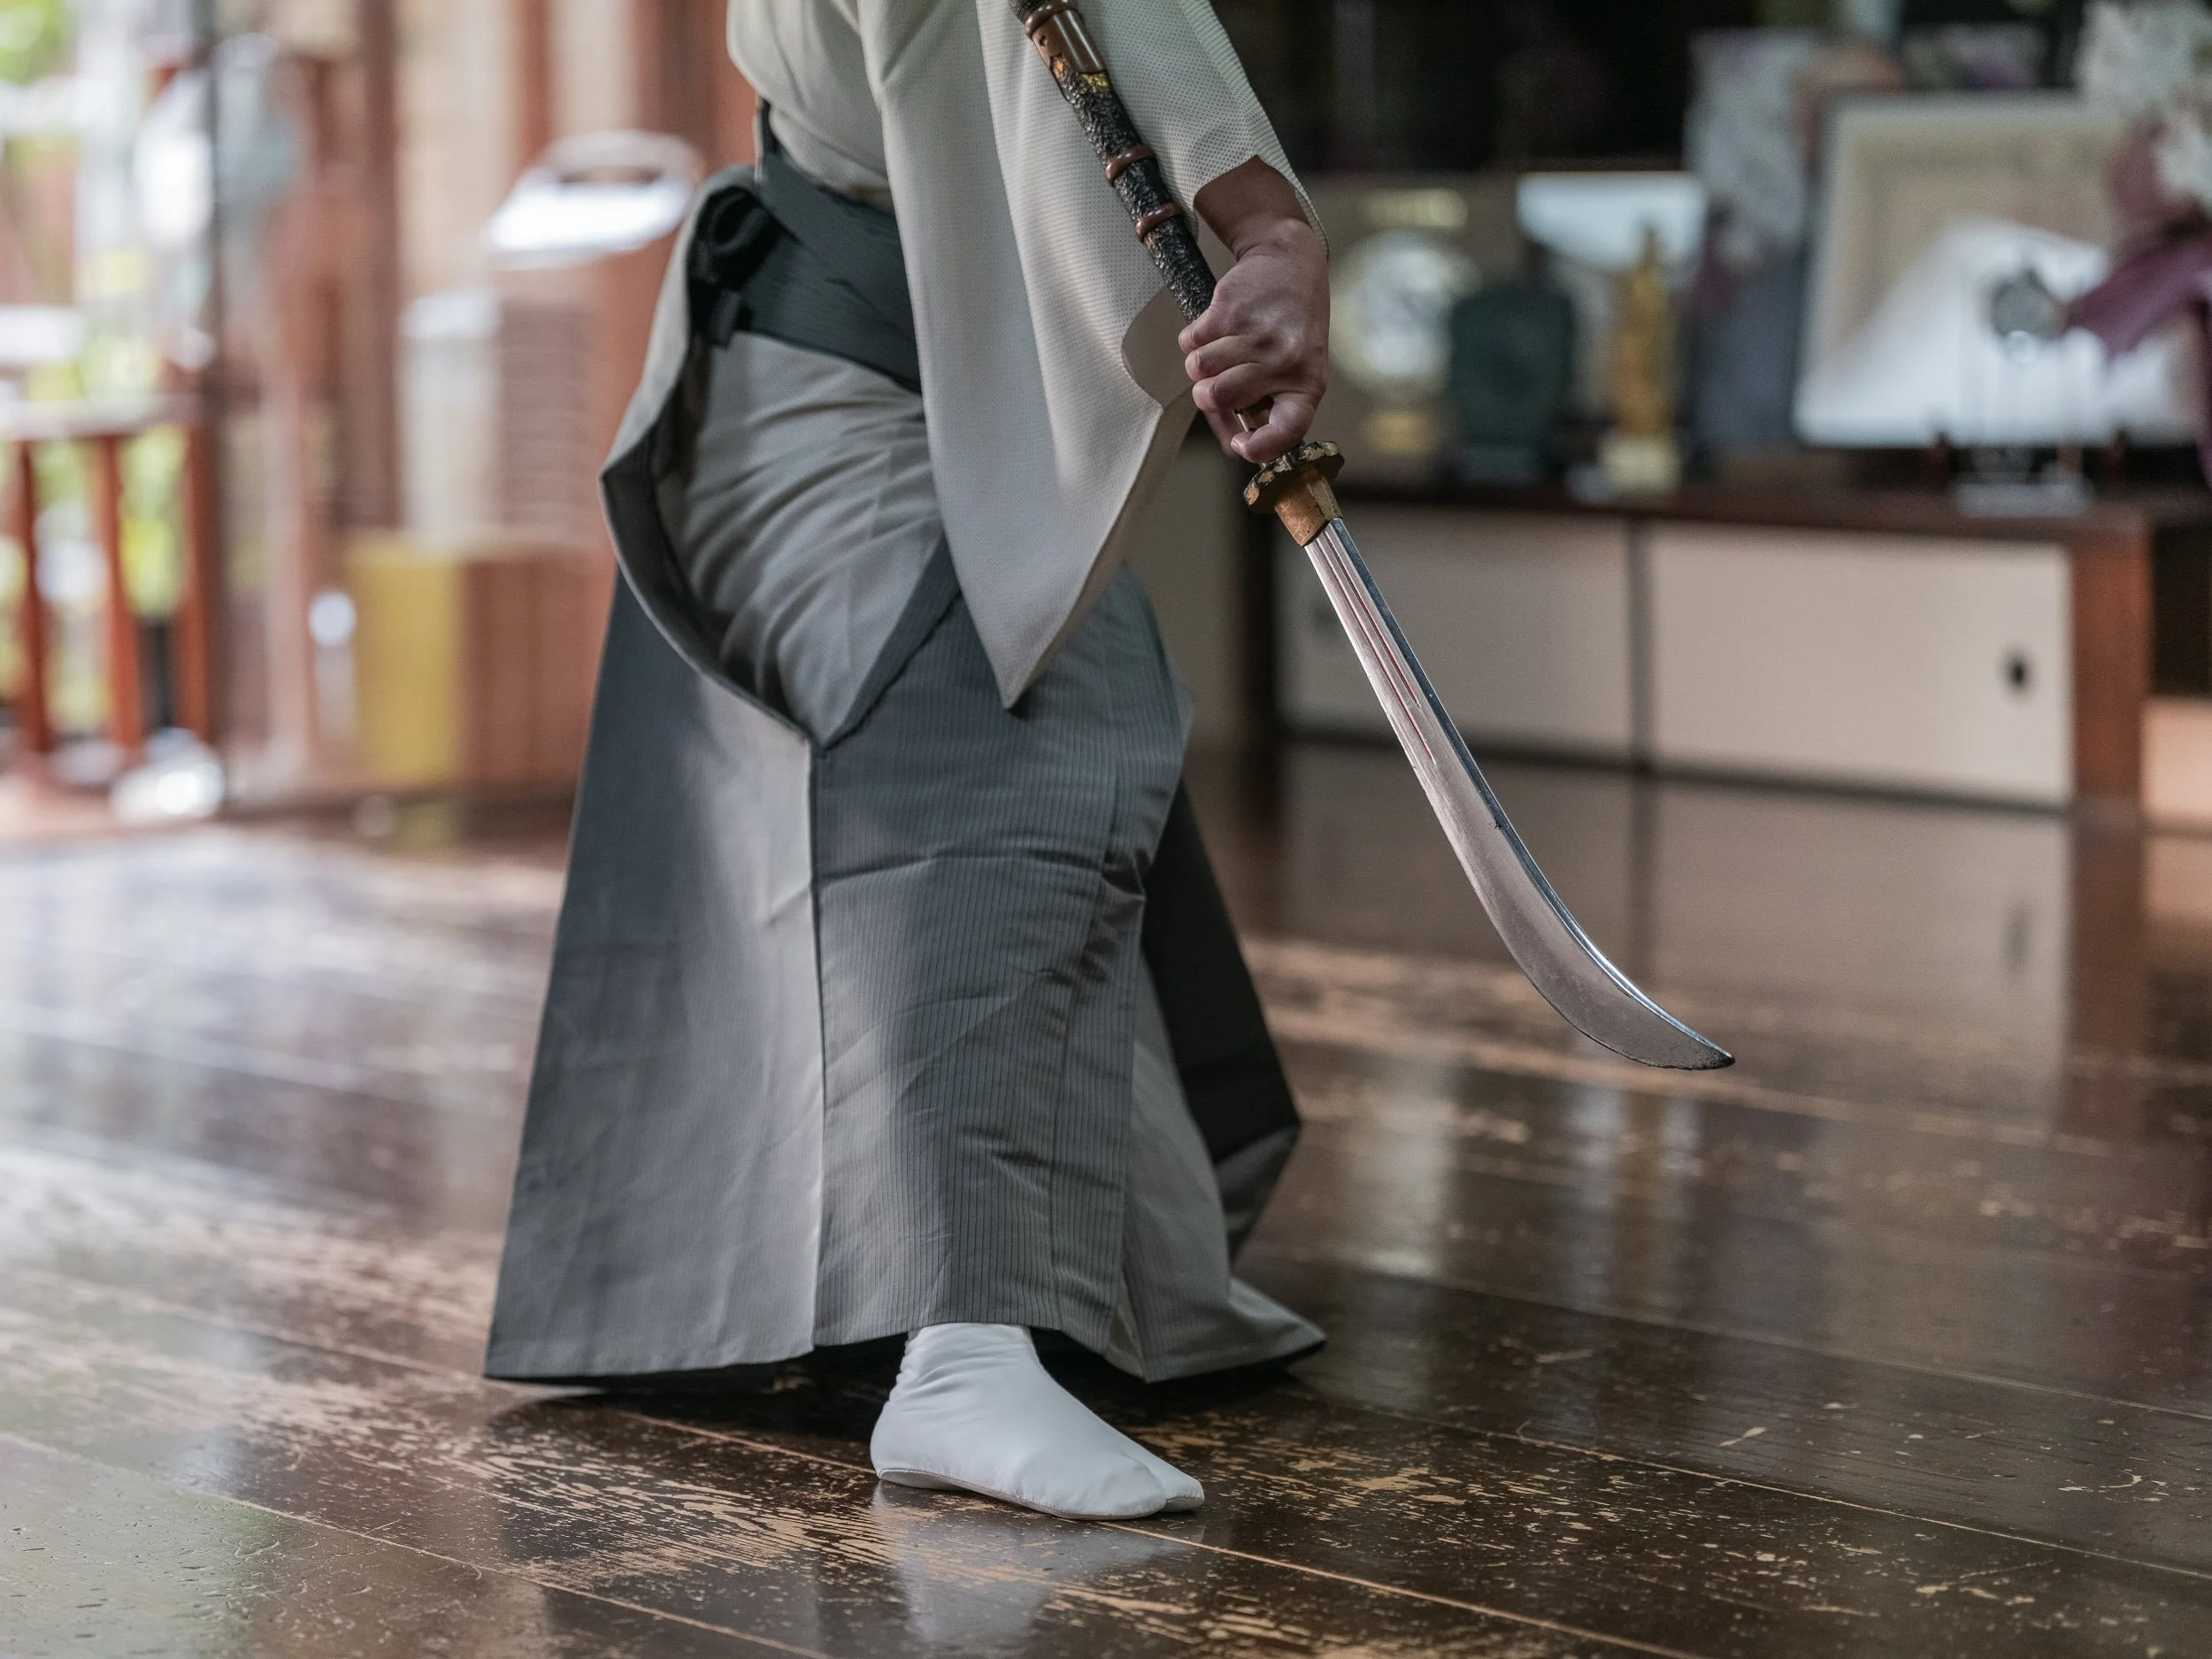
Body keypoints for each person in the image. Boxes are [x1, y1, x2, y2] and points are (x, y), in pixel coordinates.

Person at [484, 0, 1332, 1523]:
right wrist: (1261, 228)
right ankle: (964, 1347)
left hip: (863, 356)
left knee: (1044, 738)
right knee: (1009, 740)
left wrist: (1262, 232)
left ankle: (1023, 1288)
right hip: (832, 374)